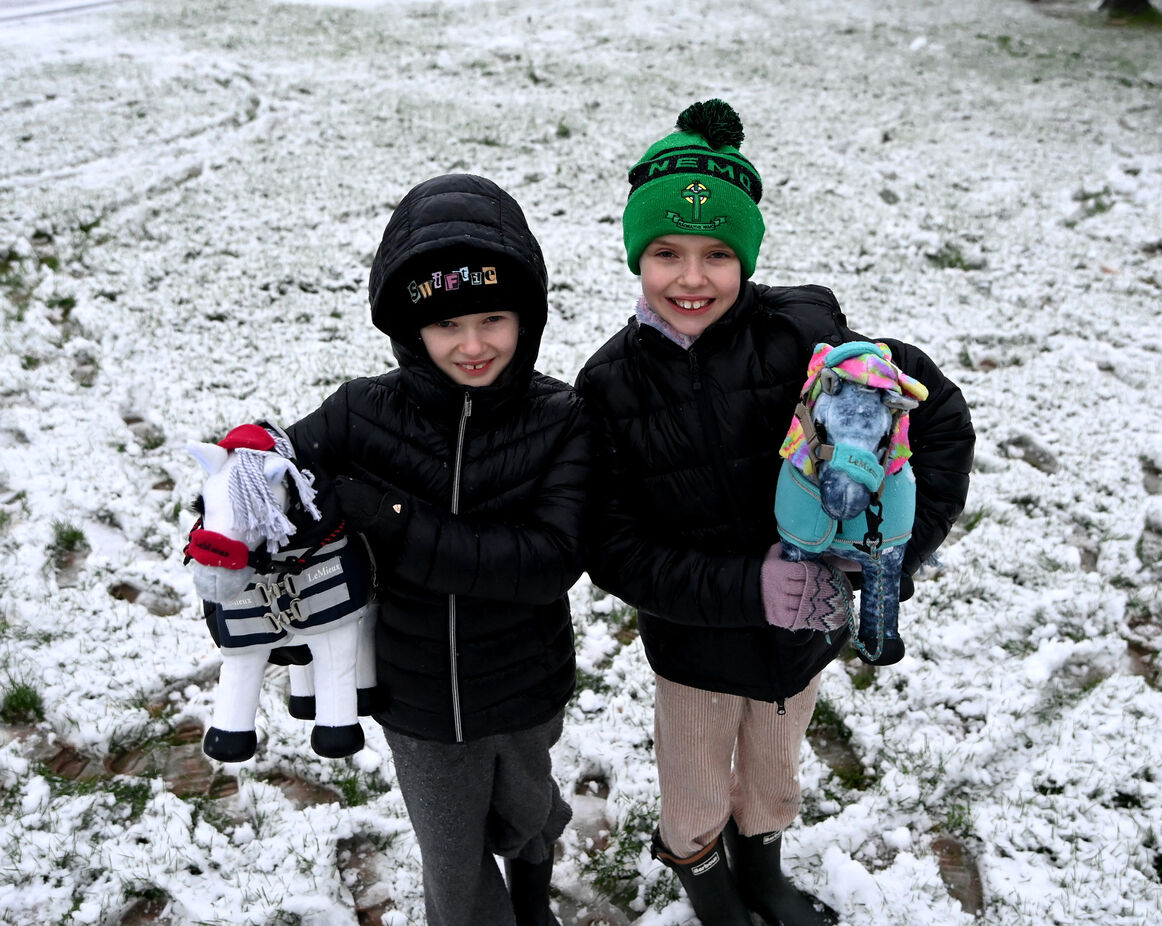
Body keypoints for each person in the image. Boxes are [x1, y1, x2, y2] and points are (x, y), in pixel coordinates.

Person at [575, 100, 974, 925]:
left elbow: (933, 416)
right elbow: (611, 545)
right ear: (635, 255)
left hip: (807, 634)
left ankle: (764, 874)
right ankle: (706, 879)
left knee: (775, 776)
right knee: (692, 789)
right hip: (695, 647)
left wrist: (893, 546)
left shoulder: (809, 336)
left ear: (747, 255)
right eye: (666, 253)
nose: (692, 278)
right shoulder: (610, 384)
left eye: (718, 253)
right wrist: (745, 588)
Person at [286, 173, 590, 926]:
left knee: (524, 813)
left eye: (494, 317)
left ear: (528, 316)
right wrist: (237, 500)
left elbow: (546, 560)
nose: (474, 344)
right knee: (453, 864)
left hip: (524, 683)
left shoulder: (560, 419)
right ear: (408, 328)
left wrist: (389, 516)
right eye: (447, 325)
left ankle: (532, 870)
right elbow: (276, 469)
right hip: (417, 696)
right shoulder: (363, 412)